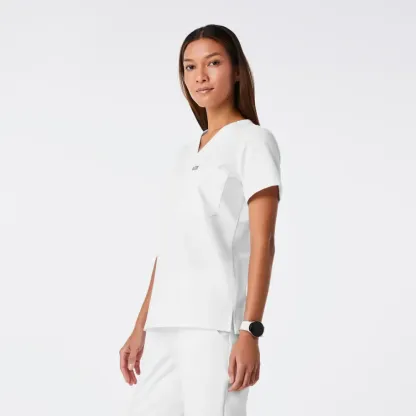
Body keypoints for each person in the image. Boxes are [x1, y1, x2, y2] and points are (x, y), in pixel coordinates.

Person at [120, 24, 283, 416]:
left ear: (237, 70)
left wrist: (250, 330)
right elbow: (170, 248)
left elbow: (263, 243)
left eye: (213, 63)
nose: (200, 76)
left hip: (215, 326)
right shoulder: (184, 153)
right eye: (190, 67)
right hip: (165, 325)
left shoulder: (253, 141)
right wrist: (141, 325)